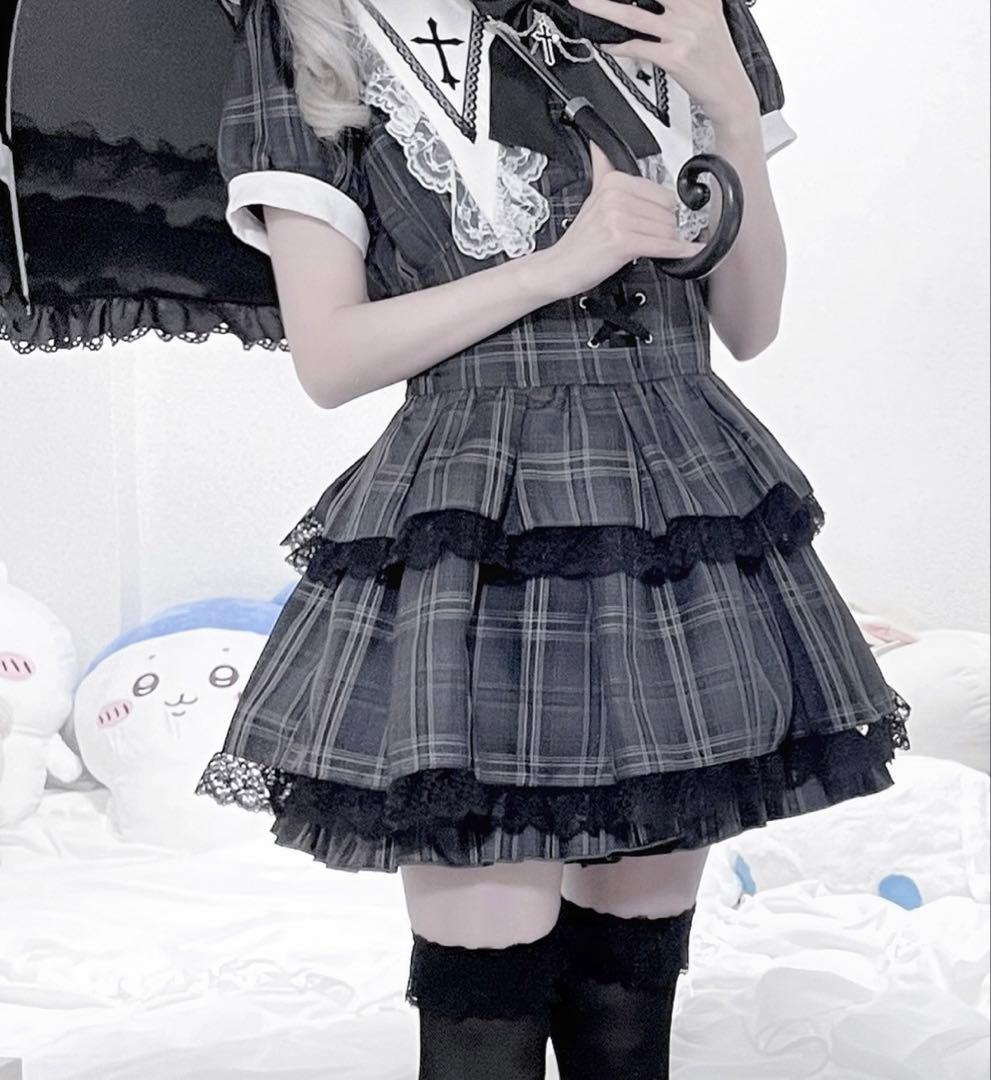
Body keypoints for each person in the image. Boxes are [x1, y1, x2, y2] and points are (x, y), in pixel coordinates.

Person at [193, 1, 911, 1077]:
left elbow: (749, 323)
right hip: (482, 521)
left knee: (633, 971)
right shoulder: (323, 24)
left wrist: (725, 105)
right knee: (486, 969)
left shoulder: (689, 15)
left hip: (675, 511)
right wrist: (555, 267)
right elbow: (330, 358)